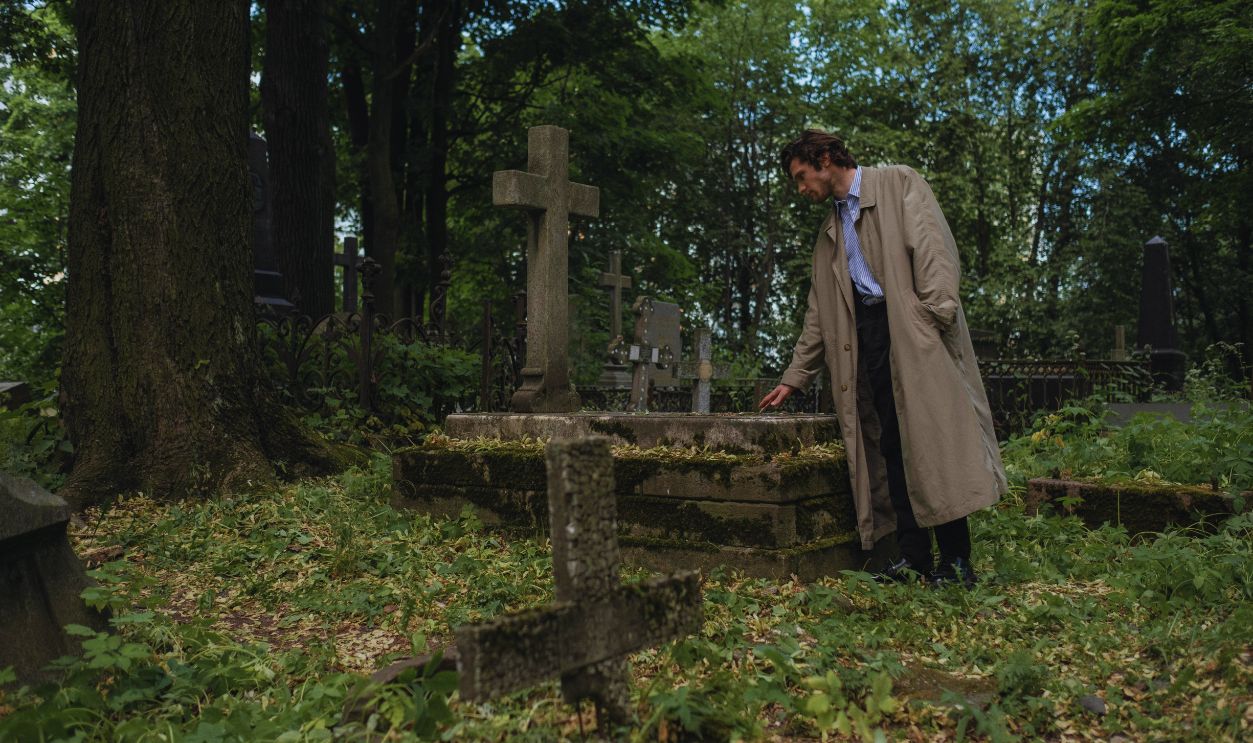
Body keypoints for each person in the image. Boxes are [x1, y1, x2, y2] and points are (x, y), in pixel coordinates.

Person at [758, 130, 1007, 587]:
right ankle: (913, 559)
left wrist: (929, 319)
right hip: (867, 340)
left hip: (912, 331)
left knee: (929, 443)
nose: (800, 189)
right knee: (889, 445)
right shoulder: (830, 231)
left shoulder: (898, 183)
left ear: (827, 158)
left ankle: (955, 562)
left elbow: (933, 252)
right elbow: (819, 311)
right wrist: (795, 376)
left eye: (800, 177)